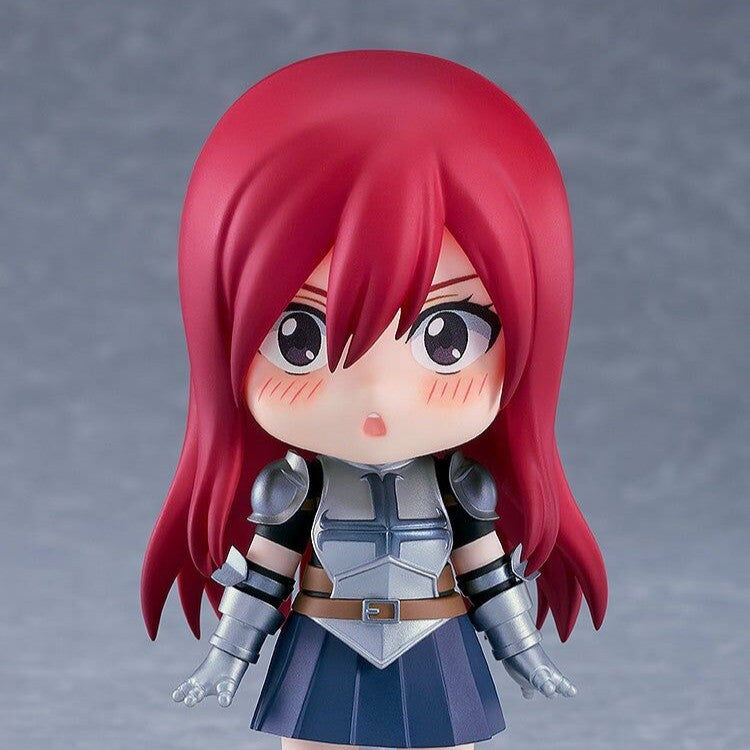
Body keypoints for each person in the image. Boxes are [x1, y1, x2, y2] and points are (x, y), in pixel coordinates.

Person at [141, 50, 608, 749]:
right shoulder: (295, 487)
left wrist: (523, 652)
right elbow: (266, 577)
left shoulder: (459, 485)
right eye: (300, 335)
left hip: (436, 643)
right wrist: (226, 656)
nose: (377, 389)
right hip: (324, 642)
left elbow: (485, 573)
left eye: (448, 335)